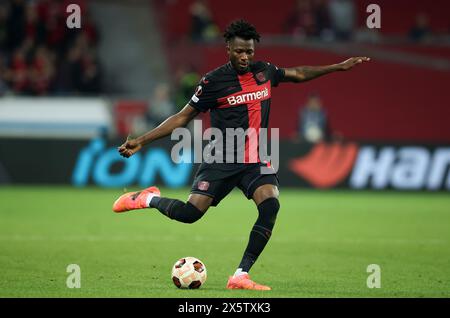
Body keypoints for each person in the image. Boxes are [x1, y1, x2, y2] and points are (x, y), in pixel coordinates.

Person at [112, 19, 369, 290]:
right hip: (220, 159)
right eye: (239, 52)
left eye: (249, 51)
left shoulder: (265, 72)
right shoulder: (213, 81)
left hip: (254, 160)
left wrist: (337, 67)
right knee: (190, 214)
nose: (245, 57)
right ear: (228, 49)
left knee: (270, 204)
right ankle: (147, 198)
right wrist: (142, 140)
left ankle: (240, 275)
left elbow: (299, 73)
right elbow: (182, 117)